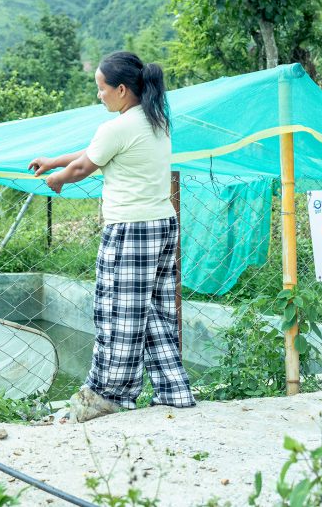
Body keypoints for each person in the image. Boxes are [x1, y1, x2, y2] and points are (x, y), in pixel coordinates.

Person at [29, 51, 196, 422]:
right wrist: (55, 161)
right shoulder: (156, 119)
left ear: (121, 89)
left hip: (131, 231)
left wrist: (57, 178)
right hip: (163, 225)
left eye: (102, 89)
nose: (99, 95)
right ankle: (173, 392)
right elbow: (95, 151)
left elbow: (85, 166)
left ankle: (108, 395)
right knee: (155, 313)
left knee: (118, 313)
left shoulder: (117, 128)